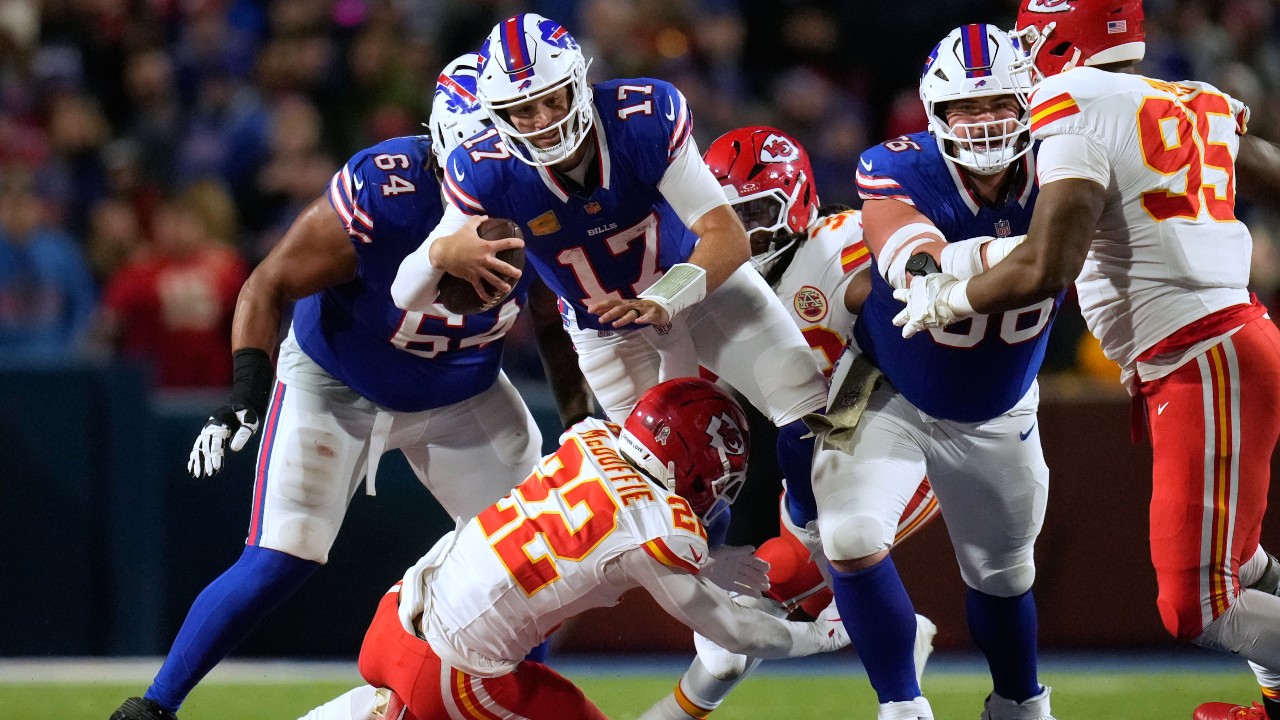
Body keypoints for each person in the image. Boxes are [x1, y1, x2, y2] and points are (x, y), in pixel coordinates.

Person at [109, 54, 592, 720]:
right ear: (447, 149)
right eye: (487, 153)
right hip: (338, 380)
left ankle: (507, 709)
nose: (502, 172)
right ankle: (153, 708)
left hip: (464, 392)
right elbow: (268, 283)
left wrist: (581, 423)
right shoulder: (384, 193)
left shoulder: (549, 193)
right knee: (283, 553)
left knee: (532, 558)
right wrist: (245, 393)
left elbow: (552, 318)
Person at [892, 4, 1280, 719]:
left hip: (1203, 352)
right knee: (1244, 564)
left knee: (1197, 603)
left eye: (1030, 38)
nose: (1023, 54)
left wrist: (953, 296)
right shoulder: (1190, 96)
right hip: (1214, 347)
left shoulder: (1073, 98)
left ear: (1060, 38)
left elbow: (1050, 264)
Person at [391, 13, 832, 548]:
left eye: (553, 99)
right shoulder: (483, 170)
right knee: (668, 493)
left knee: (811, 412)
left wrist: (665, 297)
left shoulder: (642, 116)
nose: (543, 120)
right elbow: (406, 294)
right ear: (498, 117)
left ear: (579, 82)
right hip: (605, 331)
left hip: (702, 289)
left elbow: (727, 237)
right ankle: (717, 593)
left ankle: (814, 541)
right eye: (523, 110)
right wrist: (440, 249)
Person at [297, 378, 850, 720]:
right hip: (452, 674)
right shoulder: (655, 525)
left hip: (396, 614)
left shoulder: (591, 439)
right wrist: (828, 635)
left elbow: (596, 528)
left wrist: (704, 562)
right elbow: (739, 633)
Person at [639, 126, 940, 720]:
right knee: (745, 611)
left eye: (755, 212)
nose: (745, 231)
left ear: (798, 200)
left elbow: (906, 313)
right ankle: (890, 635)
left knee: (772, 588)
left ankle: (897, 676)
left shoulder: (839, 245)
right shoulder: (719, 285)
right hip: (811, 466)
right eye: (731, 216)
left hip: (898, 443)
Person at [814, 24, 1060, 720]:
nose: (984, 121)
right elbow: (905, 246)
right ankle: (902, 707)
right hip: (882, 383)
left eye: (999, 103)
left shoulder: (1066, 166)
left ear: (1030, 104)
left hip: (999, 402)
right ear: (934, 115)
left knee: (1004, 575)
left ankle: (1019, 704)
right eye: (965, 108)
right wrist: (938, 269)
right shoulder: (903, 166)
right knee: (848, 535)